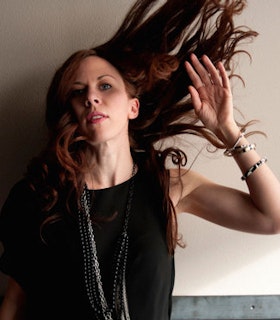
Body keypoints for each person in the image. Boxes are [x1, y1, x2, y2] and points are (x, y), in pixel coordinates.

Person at [1, 0, 280, 319]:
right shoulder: (37, 197)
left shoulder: (171, 186)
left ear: (133, 107)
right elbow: (15, 301)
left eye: (105, 86)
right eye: (78, 92)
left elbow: (273, 218)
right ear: (71, 113)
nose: (92, 97)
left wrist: (228, 130)